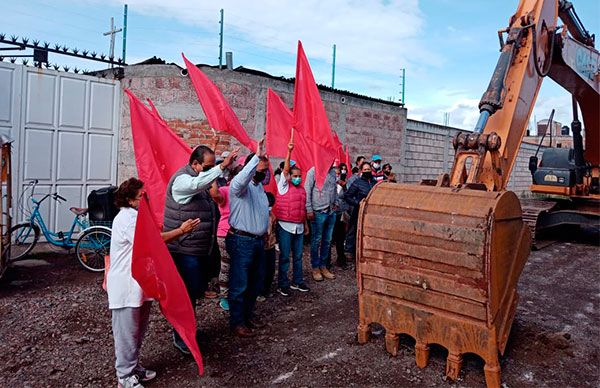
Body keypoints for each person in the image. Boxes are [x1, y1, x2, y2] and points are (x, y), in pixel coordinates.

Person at [108, 177, 200, 388]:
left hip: (138, 285)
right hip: (125, 286)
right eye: (141, 196)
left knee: (138, 330)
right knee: (127, 333)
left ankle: (133, 367)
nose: (144, 199)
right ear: (130, 200)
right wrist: (181, 231)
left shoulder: (137, 216)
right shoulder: (127, 219)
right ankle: (124, 376)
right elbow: (151, 242)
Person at [163, 144, 239, 354]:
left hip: (198, 248)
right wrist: (221, 167)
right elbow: (198, 184)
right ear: (194, 164)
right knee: (185, 294)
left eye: (212, 166)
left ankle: (188, 328)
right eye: (207, 166)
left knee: (195, 292)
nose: (210, 170)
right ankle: (181, 335)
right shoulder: (182, 180)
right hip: (184, 248)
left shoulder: (200, 177)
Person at [226, 139, 270, 338]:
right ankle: (237, 322)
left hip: (258, 241)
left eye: (265, 169)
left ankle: (247, 316)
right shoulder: (239, 186)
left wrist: (265, 233)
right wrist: (256, 156)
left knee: (255, 282)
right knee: (240, 283)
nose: (264, 173)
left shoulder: (260, 188)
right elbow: (241, 180)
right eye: (261, 169)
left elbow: (262, 213)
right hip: (242, 241)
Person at [274, 141, 310, 297]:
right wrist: (289, 152)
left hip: (299, 227)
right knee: (284, 256)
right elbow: (286, 168)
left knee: (298, 255)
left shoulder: (302, 189)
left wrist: (306, 224)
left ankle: (297, 281)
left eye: (299, 176)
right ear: (289, 176)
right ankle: (283, 284)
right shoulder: (283, 185)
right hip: (285, 226)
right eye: (294, 176)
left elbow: (302, 209)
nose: (297, 178)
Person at [209, 163, 244, 312]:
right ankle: (224, 296)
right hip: (225, 233)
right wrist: (213, 174)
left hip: (241, 233)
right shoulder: (226, 190)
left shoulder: (247, 192)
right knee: (226, 265)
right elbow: (215, 194)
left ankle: (237, 294)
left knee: (240, 266)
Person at [305, 163, 338, 282]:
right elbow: (307, 191)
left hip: (330, 212)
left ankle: (323, 266)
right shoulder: (313, 171)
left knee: (327, 241)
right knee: (316, 240)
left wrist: (336, 203)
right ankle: (315, 267)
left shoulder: (333, 172)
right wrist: (308, 209)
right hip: (318, 212)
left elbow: (334, 190)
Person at [344, 162, 377, 257]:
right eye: (365, 169)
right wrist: (357, 202)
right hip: (359, 210)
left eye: (368, 169)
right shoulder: (357, 183)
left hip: (371, 212)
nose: (367, 171)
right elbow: (347, 196)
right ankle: (350, 251)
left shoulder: (375, 183)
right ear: (361, 171)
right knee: (354, 230)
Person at [328, 162, 350, 270]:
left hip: (341, 214)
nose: (337, 175)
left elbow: (347, 196)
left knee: (340, 239)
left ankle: (341, 259)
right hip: (331, 213)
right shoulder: (329, 185)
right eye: (335, 173)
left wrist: (344, 186)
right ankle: (326, 262)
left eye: (338, 173)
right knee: (328, 238)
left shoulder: (344, 184)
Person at [258, 192, 277, 301]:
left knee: (270, 269)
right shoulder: (259, 216)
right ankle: (259, 291)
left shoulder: (272, 216)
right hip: (262, 247)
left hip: (271, 246)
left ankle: (266, 289)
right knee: (261, 270)